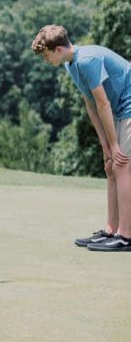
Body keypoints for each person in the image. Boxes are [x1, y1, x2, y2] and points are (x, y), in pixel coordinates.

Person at [32, 24, 131, 252]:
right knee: (111, 166)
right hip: (118, 109)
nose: (45, 60)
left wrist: (115, 145)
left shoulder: (87, 60)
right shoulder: (70, 65)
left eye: (46, 55)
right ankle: (111, 230)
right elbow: (92, 105)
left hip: (127, 104)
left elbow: (103, 102)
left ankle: (126, 236)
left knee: (122, 165)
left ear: (58, 49)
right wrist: (105, 145)